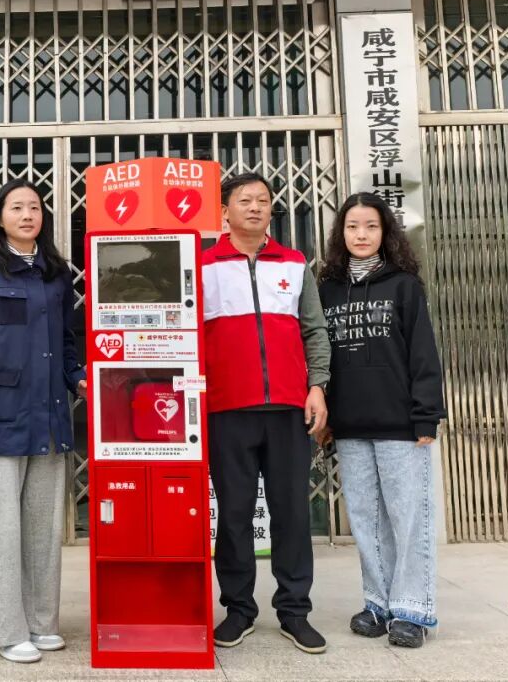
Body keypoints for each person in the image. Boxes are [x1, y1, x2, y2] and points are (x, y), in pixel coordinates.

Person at [0, 179, 87, 664]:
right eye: (17, 207)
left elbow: (66, 341)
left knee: (44, 530)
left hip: (48, 417)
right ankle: (4, 630)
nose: (28, 215)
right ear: (0, 217)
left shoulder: (56, 273)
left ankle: (42, 622)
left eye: (35, 207)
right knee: (2, 531)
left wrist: (78, 377)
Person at [201, 172, 331, 654]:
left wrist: (317, 386)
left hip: (288, 408)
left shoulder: (294, 264)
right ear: (225, 212)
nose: (255, 207)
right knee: (233, 514)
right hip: (226, 407)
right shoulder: (203, 265)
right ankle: (238, 609)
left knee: (291, 512)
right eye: (245, 200)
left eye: (262, 200)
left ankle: (295, 611)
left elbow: (314, 329)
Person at [317, 192, 445, 649]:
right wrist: (327, 414)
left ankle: (412, 610)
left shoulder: (404, 286)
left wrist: (426, 416)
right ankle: (377, 603)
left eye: (371, 226)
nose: (362, 235)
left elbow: (422, 353)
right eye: (353, 226)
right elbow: (321, 356)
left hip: (400, 425)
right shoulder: (327, 290)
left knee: (408, 518)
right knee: (367, 520)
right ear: (341, 233)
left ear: (385, 232)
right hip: (351, 427)